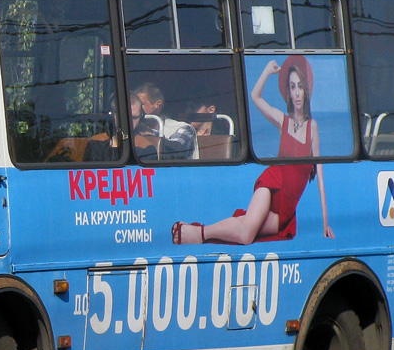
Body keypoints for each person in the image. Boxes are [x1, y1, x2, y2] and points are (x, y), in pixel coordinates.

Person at [172, 56, 334, 245]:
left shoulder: (312, 126)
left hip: (288, 205)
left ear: (306, 90)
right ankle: (198, 234)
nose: (297, 93)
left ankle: (196, 231)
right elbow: (255, 97)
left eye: (300, 86)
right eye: (292, 87)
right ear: (288, 92)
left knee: (246, 227)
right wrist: (266, 71)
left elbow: (320, 172)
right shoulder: (283, 121)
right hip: (272, 182)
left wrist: (326, 222)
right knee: (247, 234)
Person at [133, 82, 198, 159]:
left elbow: (176, 150)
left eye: (141, 104)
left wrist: (149, 135)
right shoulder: (135, 128)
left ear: (158, 105)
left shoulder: (182, 127)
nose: (138, 108)